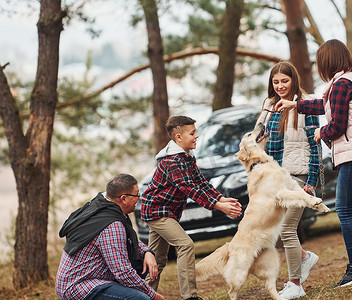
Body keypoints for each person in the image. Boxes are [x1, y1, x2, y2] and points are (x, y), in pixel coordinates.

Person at [276, 39, 352, 288]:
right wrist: (296, 104)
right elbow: (325, 106)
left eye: (320, 61)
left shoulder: (341, 84)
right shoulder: (350, 79)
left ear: (328, 61)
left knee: (344, 210)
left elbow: (337, 125)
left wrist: (320, 133)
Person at [141, 115, 242, 300]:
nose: (197, 136)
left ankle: (141, 295)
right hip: (157, 212)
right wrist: (218, 206)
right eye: (192, 133)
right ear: (178, 137)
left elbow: (200, 181)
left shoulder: (186, 157)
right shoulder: (172, 161)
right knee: (185, 245)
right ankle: (190, 297)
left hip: (167, 212)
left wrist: (220, 198)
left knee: (157, 260)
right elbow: (189, 188)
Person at [256, 60, 320, 299]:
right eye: (276, 82)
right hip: (276, 177)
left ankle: (295, 284)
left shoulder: (305, 106)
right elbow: (260, 138)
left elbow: (316, 147)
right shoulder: (270, 105)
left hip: (299, 175)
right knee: (279, 228)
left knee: (287, 228)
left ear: (293, 80)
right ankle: (304, 258)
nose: (281, 85)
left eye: (285, 81)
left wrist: (312, 181)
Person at [56, 173, 164, 300]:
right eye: (137, 195)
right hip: (78, 286)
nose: (139, 198)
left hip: (81, 278)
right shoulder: (112, 225)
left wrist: (147, 252)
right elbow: (123, 272)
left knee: (142, 265)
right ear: (123, 198)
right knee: (140, 298)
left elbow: (128, 238)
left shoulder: (103, 205)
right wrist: (153, 295)